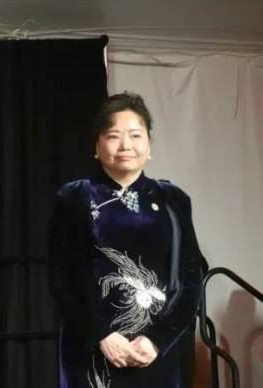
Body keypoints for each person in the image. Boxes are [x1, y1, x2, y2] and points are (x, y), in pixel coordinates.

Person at [48, 93, 206, 388]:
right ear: (97, 146)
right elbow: (59, 277)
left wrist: (159, 340)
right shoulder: (74, 197)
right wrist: (100, 335)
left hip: (157, 350)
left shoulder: (173, 199)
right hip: (92, 346)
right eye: (113, 136)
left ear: (149, 145)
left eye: (135, 135)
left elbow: (192, 276)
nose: (126, 146)